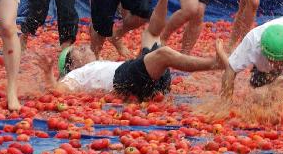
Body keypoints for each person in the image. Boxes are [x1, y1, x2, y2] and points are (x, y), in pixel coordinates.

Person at [39, 19, 227, 100]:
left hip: (142, 81)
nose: (85, 47)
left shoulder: (98, 63)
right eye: (78, 50)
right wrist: (49, 75)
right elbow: (58, 90)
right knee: (164, 53)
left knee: (150, 36)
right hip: (123, 79)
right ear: (72, 65)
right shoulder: (76, 75)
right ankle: (215, 64)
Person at [221, 16, 283, 108]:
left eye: (280, 62)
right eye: (272, 61)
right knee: (258, 93)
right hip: (266, 56)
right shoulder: (252, 42)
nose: (276, 65)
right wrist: (226, 104)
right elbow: (230, 70)